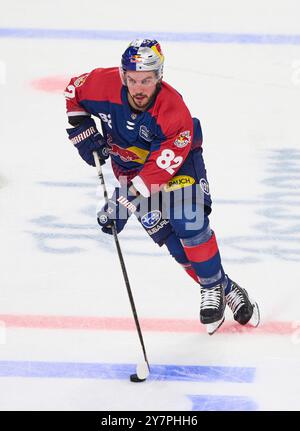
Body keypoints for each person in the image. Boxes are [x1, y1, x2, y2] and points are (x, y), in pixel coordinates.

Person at [65, 38, 260, 335]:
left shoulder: (173, 110)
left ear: (159, 76)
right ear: (122, 75)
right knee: (176, 247)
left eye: (146, 80)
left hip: (178, 165)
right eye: (132, 79)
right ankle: (228, 289)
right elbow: (73, 92)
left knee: (189, 223)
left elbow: (161, 167)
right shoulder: (100, 84)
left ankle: (210, 288)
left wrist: (122, 202)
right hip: (129, 171)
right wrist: (82, 130)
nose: (139, 88)